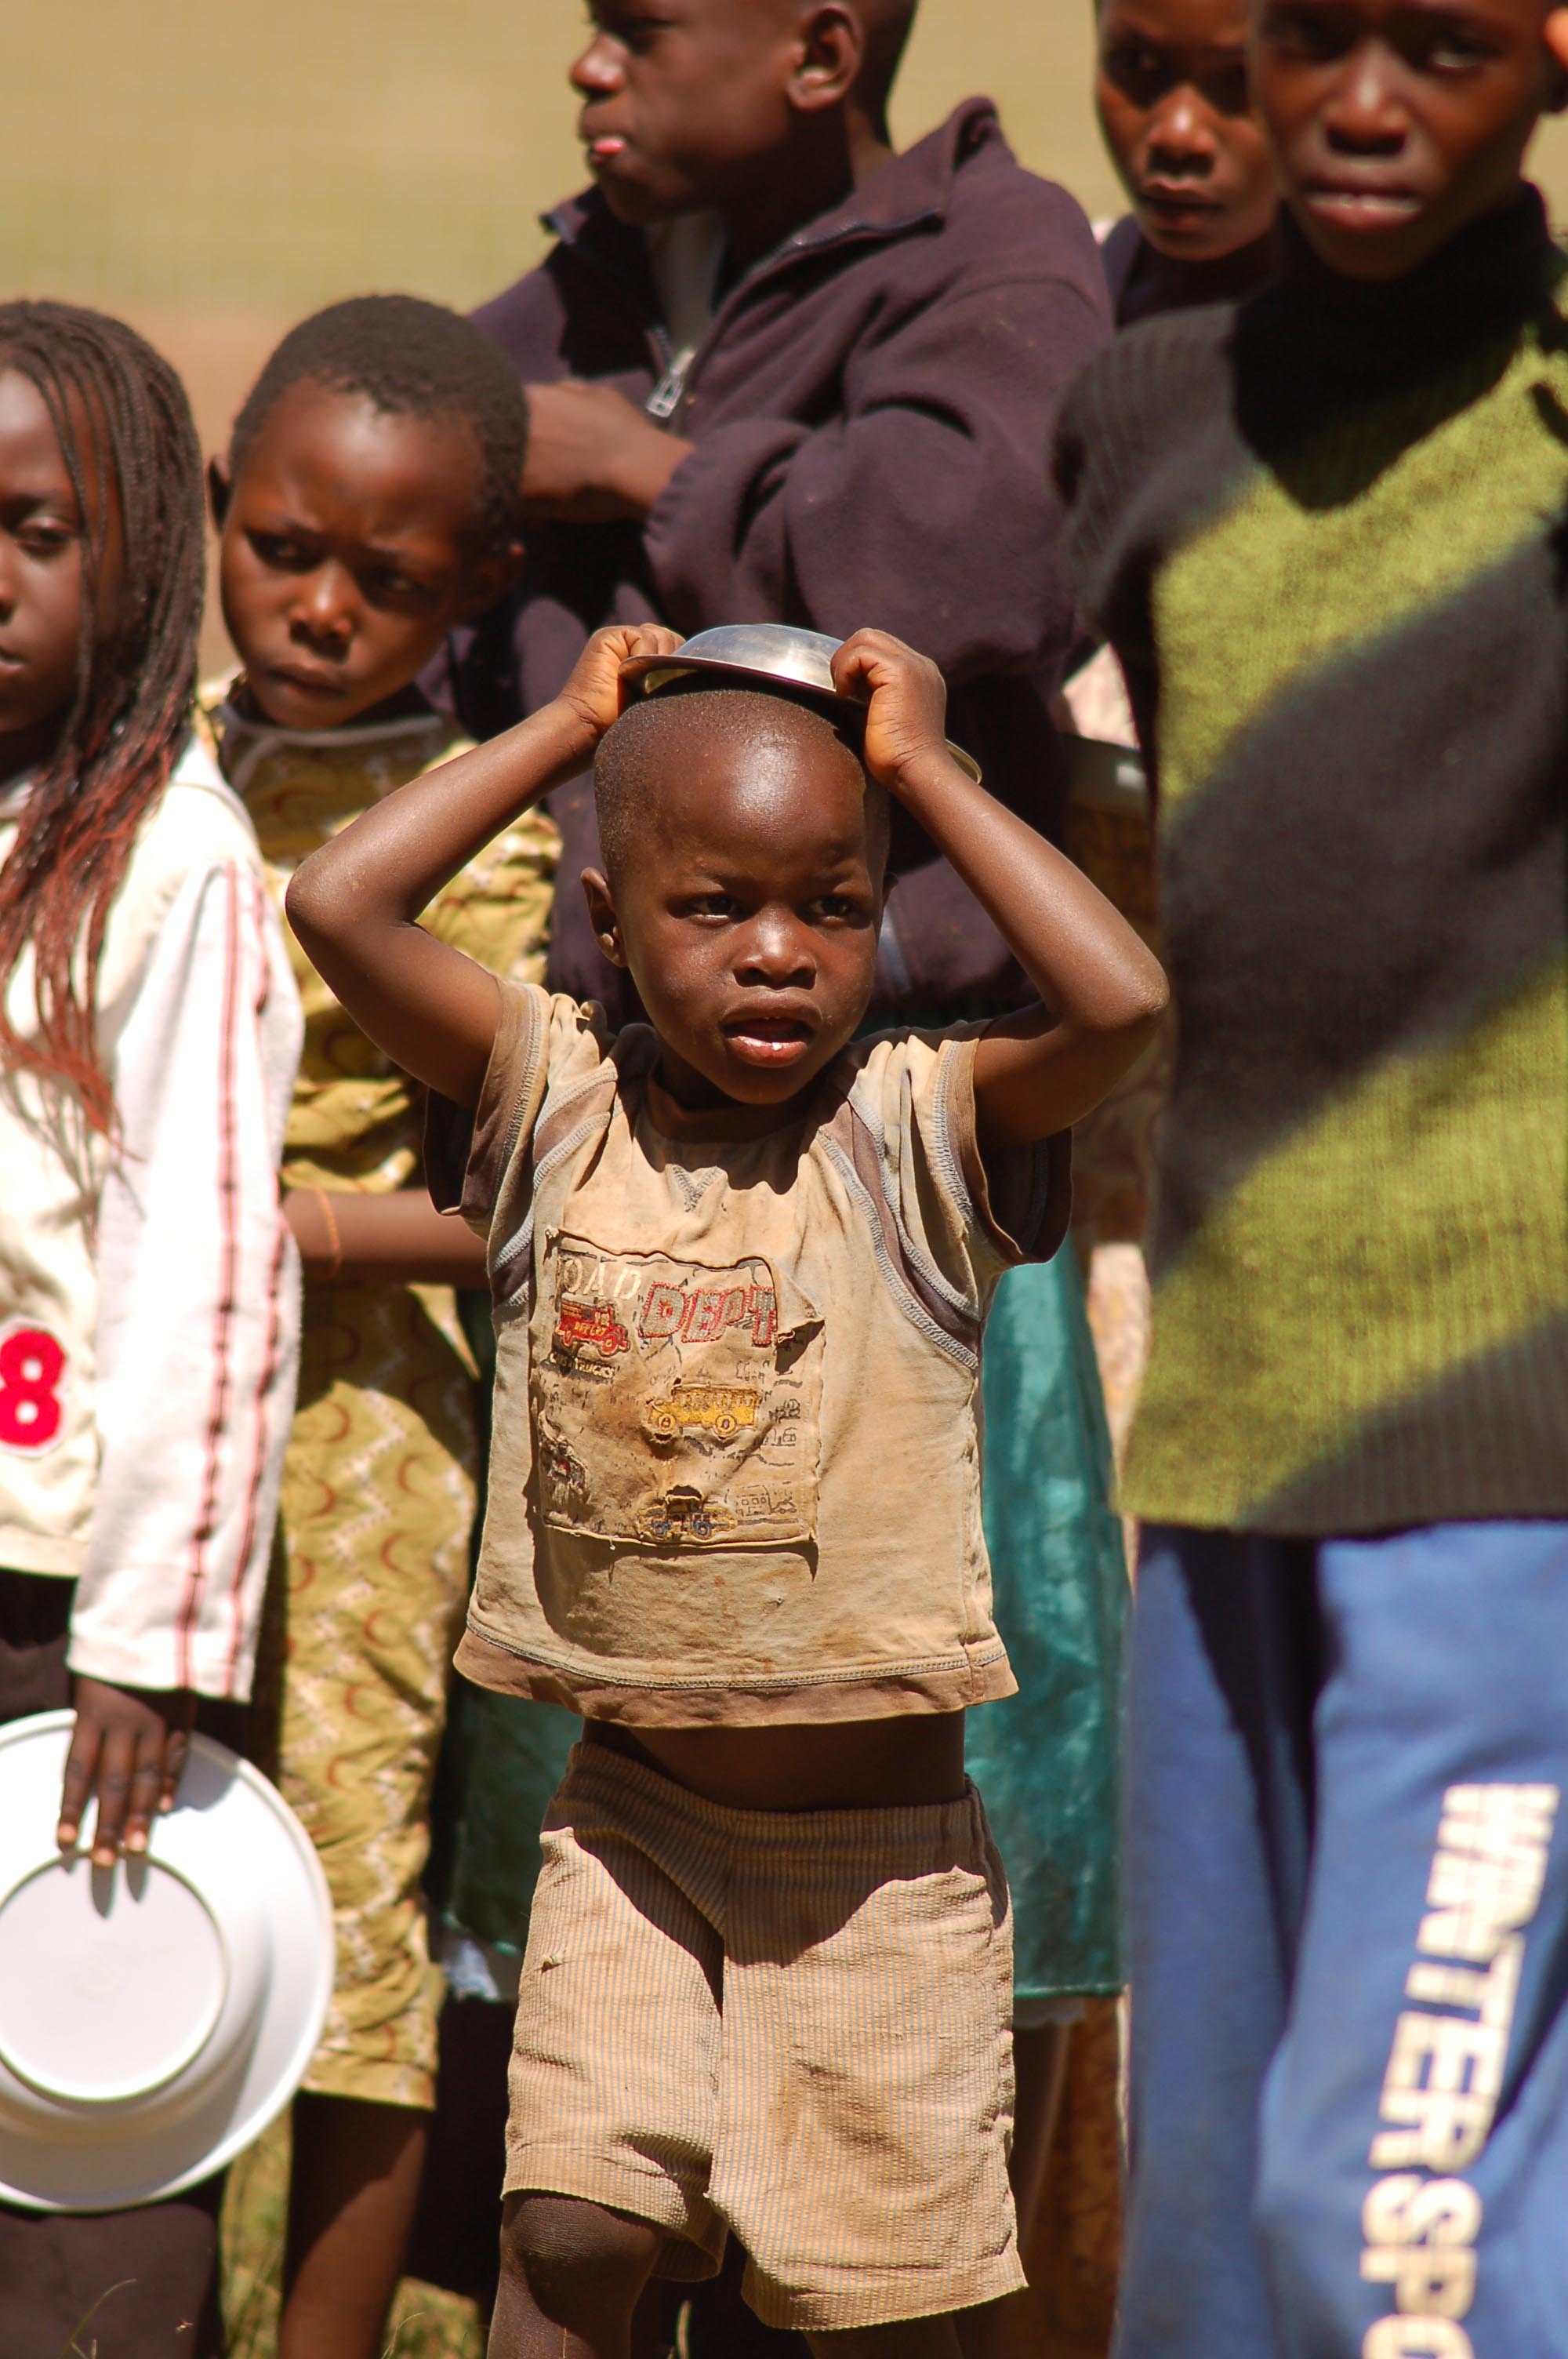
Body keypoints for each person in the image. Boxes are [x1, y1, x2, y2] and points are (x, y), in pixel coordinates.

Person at [285, 617, 1167, 2357]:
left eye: (832, 907)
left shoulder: (921, 1135)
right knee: (568, 2235)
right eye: (712, 909)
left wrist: (919, 766)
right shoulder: (551, 1101)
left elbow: (1122, 1001)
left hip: (883, 1876)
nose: (778, 954)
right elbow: (337, 906)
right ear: (608, 926)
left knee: (883, 2313)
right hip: (631, 1830)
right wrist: (561, 726)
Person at [1054, 0, 1568, 2343]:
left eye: (1446, 44)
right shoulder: (1150, 420)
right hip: (1235, 1434)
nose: (1365, 103)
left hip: (1511, 1471)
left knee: (1392, 2231)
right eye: (1320, 38)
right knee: (1203, 2269)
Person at [201, 295, 559, 2359]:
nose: (321, 609)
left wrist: (276, 1231)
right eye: (282, 547)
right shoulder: (126, 762)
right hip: (107, 1406)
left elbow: (506, 1186)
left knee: (346, 1862)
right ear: (226, 490)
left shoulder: (483, 830)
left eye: (390, 581)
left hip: (359, 1431)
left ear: (479, 589)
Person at [450, 0, 1109, 1023]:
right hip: (599, 1033)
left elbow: (980, 549)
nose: (590, 68)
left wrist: (654, 475)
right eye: (595, 26)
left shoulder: (988, 246)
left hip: (888, 1047)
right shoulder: (600, 278)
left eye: (641, 32)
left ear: (820, 57)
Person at [0, 302, 300, 2356]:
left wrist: (156, 1642)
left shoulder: (173, 870)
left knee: (86, 2099)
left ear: (144, 568)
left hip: (77, 1615)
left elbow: (210, 1265)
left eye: (33, 531)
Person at [1093, 0, 1279, 324]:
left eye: (1240, 77)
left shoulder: (1385, 352)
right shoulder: (1051, 297)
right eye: (1135, 62)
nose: (1177, 136)